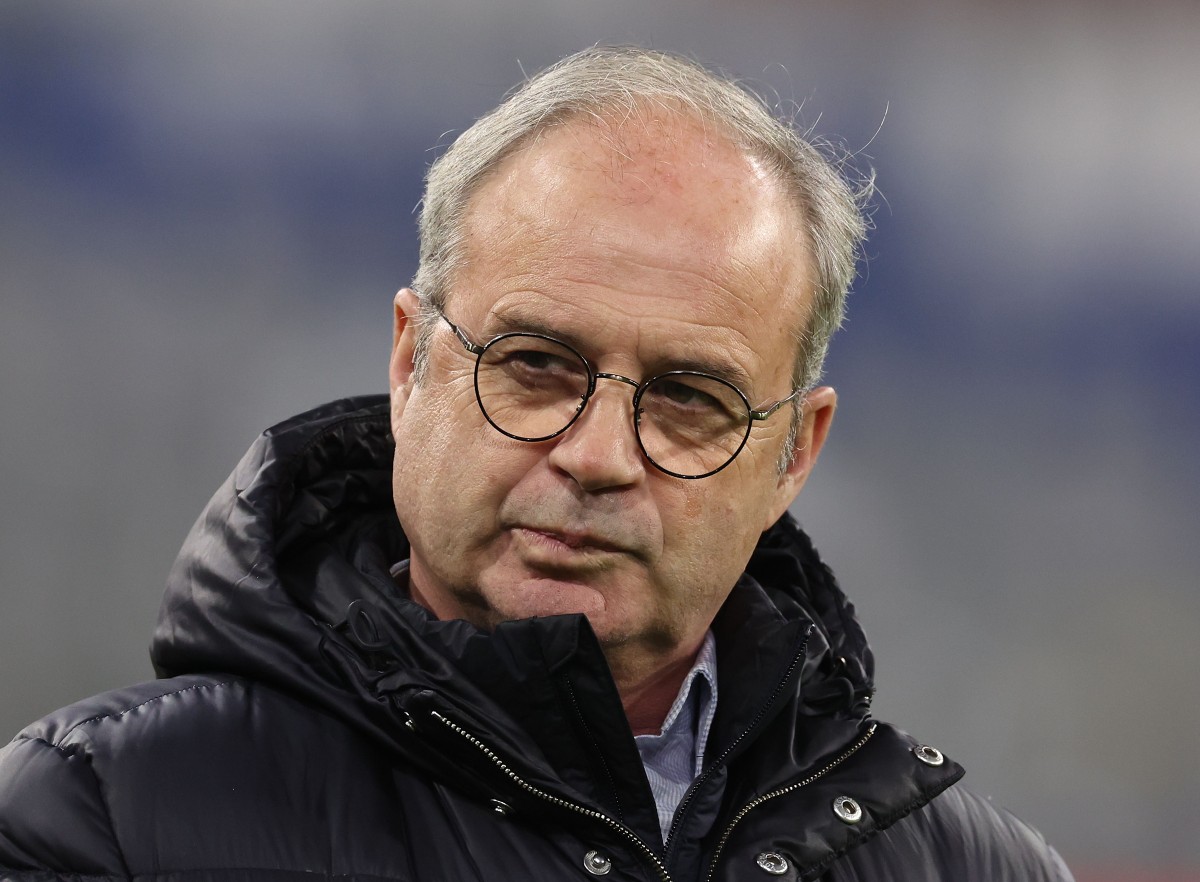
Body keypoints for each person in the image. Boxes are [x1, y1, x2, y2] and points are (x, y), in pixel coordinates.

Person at [0, 46, 1072, 881]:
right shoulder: (101, 823)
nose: (598, 456)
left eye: (690, 400)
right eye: (536, 365)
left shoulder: (982, 870)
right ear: (411, 361)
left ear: (795, 452)